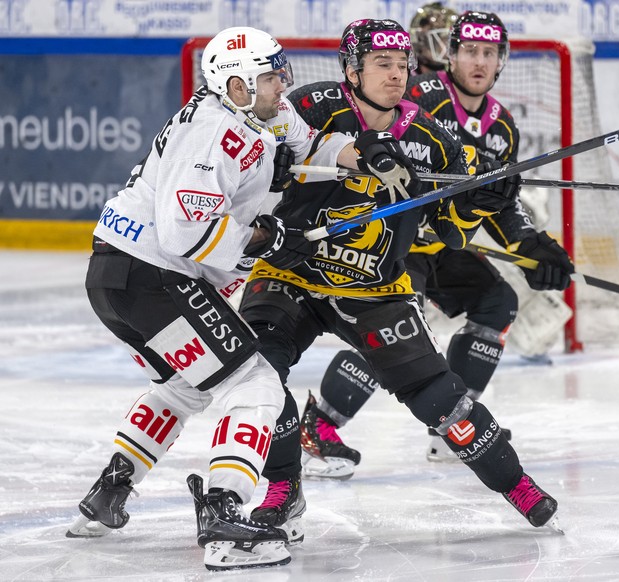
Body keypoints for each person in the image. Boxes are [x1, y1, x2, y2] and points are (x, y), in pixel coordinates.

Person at [65, 26, 398, 571]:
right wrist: (266, 239)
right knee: (256, 381)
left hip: (118, 277)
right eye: (270, 77)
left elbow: (305, 143)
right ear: (237, 84)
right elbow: (182, 233)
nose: (281, 84)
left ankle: (112, 491)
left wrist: (359, 154)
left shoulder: (258, 108)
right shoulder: (213, 133)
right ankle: (223, 515)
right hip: (153, 276)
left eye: (279, 72)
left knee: (184, 386)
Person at [237, 18, 561, 535]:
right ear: (351, 70)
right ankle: (283, 488)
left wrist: (480, 202)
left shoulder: (431, 136)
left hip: (375, 287)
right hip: (291, 273)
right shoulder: (312, 107)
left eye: (402, 64)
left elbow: (450, 233)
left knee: (440, 399)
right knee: (257, 373)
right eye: (382, 64)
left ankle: (515, 482)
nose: (396, 74)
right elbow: (256, 150)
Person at [302, 10, 575, 474]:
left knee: (497, 301)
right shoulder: (422, 97)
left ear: (502, 60)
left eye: (489, 53)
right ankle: (320, 425)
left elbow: (499, 199)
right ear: (449, 55)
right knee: (392, 329)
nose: (479, 62)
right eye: (470, 50)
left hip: (440, 245)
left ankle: (453, 427)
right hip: (391, 242)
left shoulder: (502, 125)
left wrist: (529, 243)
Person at [409, 1, 458, 74]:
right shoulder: (406, 79)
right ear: (421, 41)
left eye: (449, 40)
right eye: (439, 38)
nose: (448, 47)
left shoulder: (456, 79)